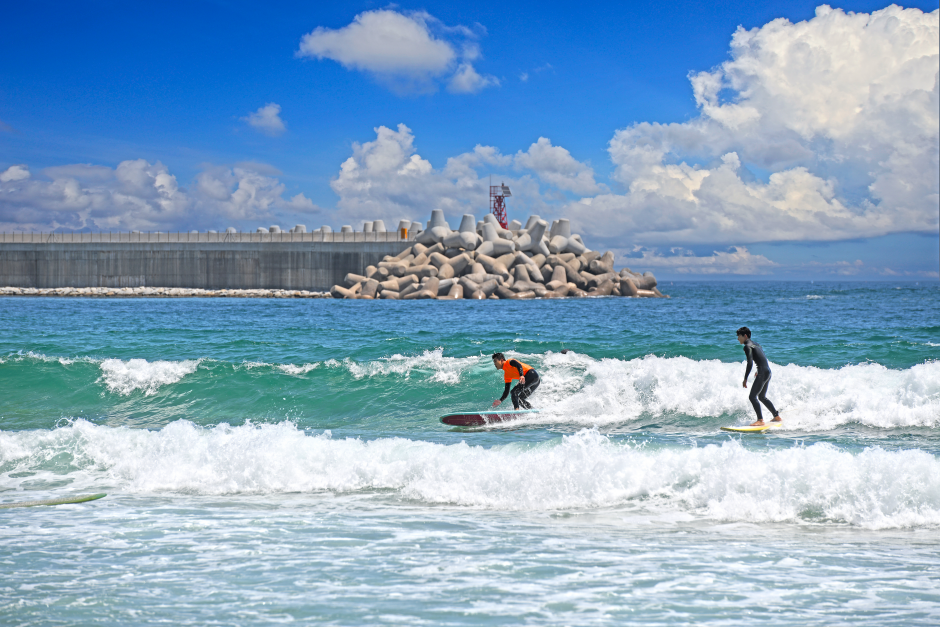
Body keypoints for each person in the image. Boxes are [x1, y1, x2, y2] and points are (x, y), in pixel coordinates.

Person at [737, 327, 782, 426]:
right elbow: (762, 357)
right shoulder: (756, 344)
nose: (737, 339)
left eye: (739, 336)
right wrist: (760, 369)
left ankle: (760, 420)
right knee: (761, 397)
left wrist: (745, 378)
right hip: (767, 371)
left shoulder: (747, 346)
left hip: (762, 372)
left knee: (752, 396)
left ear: (745, 336)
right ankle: (776, 416)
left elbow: (749, 363)